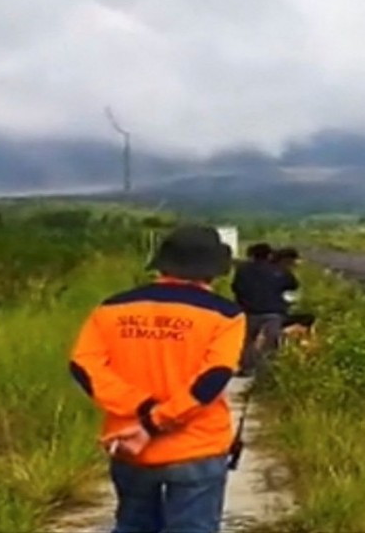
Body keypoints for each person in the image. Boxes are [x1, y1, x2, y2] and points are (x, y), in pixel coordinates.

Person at [69, 225, 246, 533]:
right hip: (197, 447)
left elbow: (83, 367)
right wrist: (156, 419)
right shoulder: (226, 315)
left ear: (162, 263)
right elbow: (212, 380)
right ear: (215, 271)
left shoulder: (112, 308)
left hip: (130, 445)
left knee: (133, 526)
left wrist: (140, 408)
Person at [230, 242, 292, 376]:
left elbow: (236, 287)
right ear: (269, 255)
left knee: (247, 340)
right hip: (273, 311)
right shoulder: (278, 270)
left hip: (249, 311)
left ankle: (247, 368)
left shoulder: (243, 269)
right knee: (271, 341)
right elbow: (292, 284)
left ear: (251, 255)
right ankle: (267, 370)